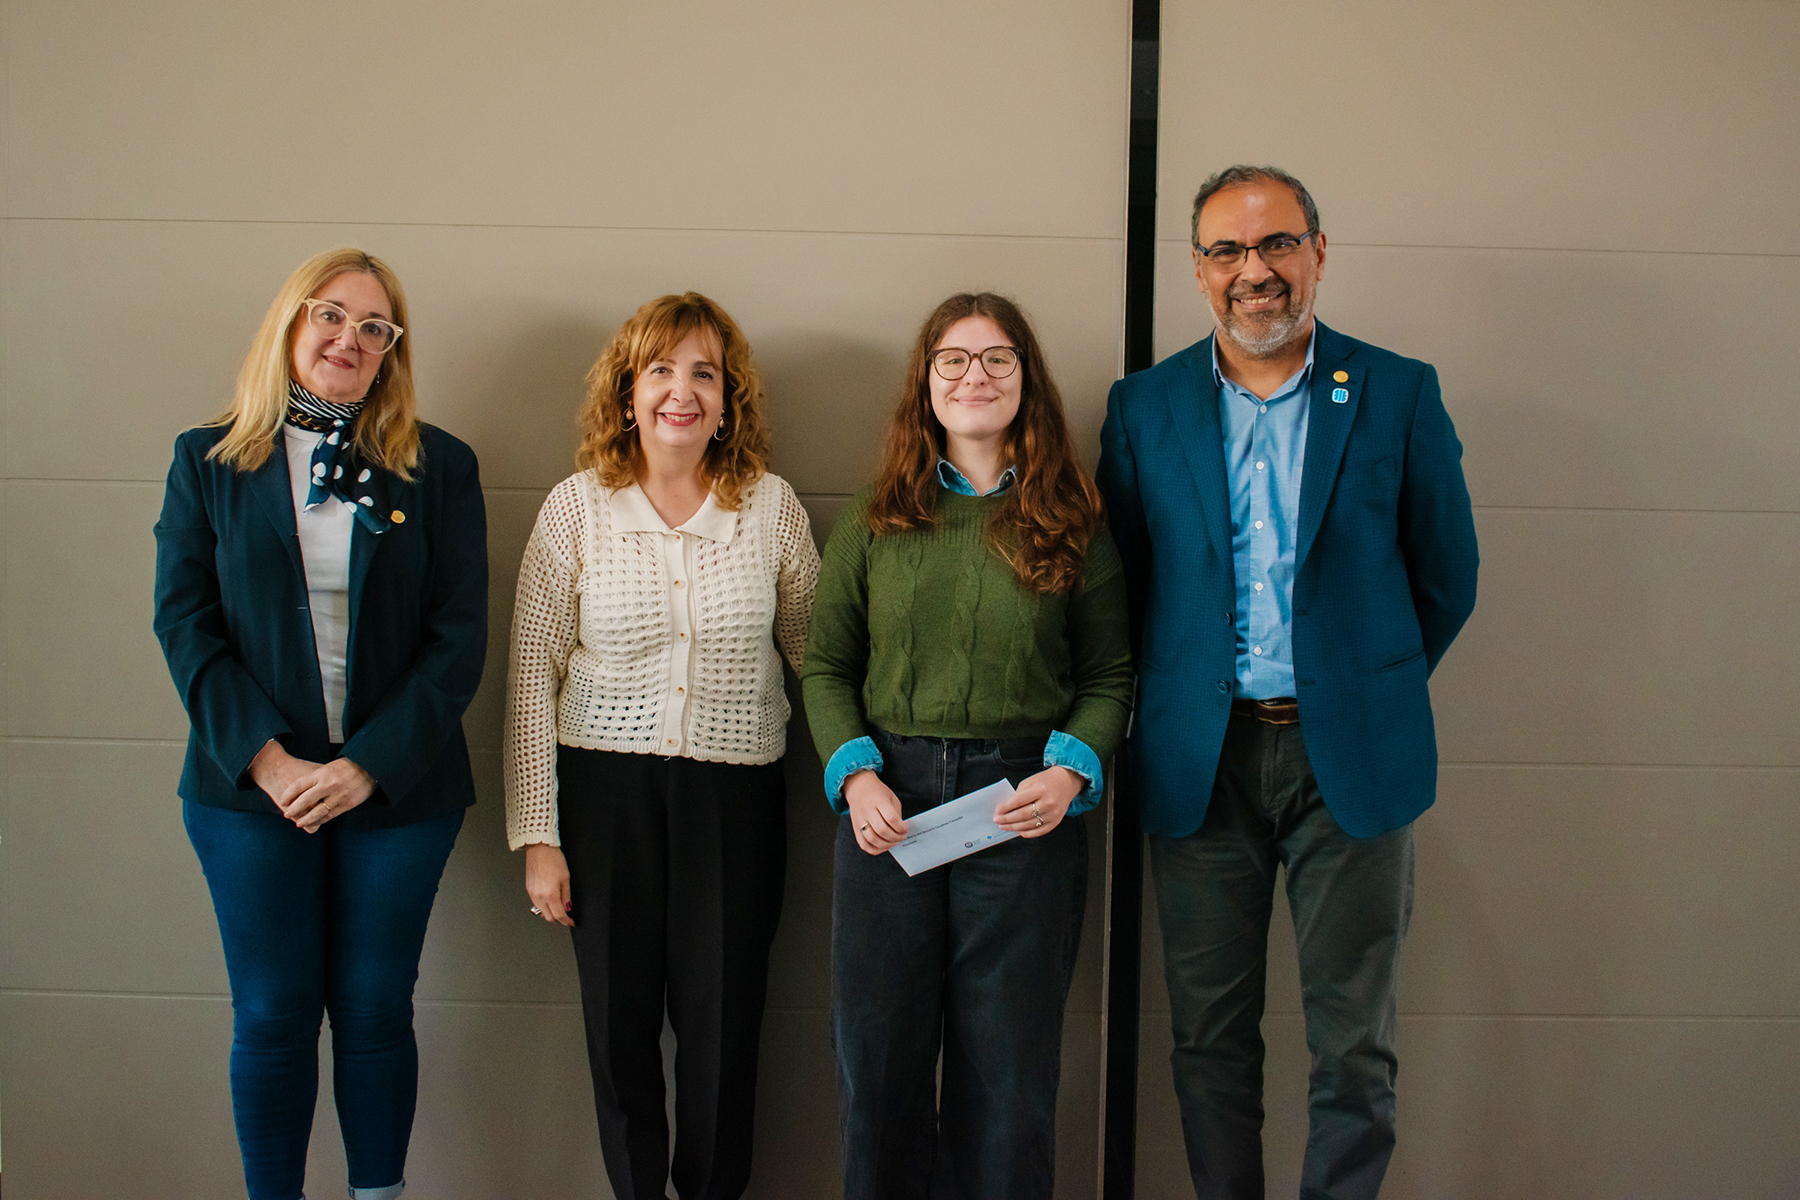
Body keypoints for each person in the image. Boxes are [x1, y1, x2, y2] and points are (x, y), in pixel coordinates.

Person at [1097, 165, 1480, 1199]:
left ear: (1318, 252)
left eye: (1277, 245)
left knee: (1355, 1044)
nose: (1254, 271)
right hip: (1199, 762)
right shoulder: (1141, 408)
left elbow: (1447, 576)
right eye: (1227, 250)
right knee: (1208, 1041)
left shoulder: (1396, 391)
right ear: (1197, 269)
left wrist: (1362, 684)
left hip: (1346, 757)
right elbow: (1123, 583)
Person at [153, 247, 489, 1200]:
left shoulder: (439, 467)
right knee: (271, 1013)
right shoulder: (208, 459)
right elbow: (184, 623)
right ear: (291, 324)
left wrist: (367, 766)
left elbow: (457, 638)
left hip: (401, 789)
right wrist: (266, 759)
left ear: (392, 352)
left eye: (374, 327)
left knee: (378, 1010)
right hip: (248, 790)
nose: (350, 338)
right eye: (330, 315)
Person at [802, 292, 1133, 1200]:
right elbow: (826, 666)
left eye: (996, 358)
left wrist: (1070, 772)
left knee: (1011, 1078)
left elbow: (1111, 675)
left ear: (1027, 381)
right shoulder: (877, 517)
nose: (974, 376)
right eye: (953, 359)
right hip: (889, 813)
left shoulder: (1073, 518)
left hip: (1021, 813)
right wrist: (855, 777)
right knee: (879, 1069)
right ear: (926, 382)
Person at [503, 292, 818, 1200]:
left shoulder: (773, 511)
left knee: (725, 1036)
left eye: (704, 373)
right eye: (661, 370)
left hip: (738, 804)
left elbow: (816, 656)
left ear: (730, 398)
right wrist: (539, 836)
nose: (682, 391)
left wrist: (865, 766)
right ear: (628, 390)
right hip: (604, 803)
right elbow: (532, 676)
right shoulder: (577, 511)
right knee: (618, 1032)